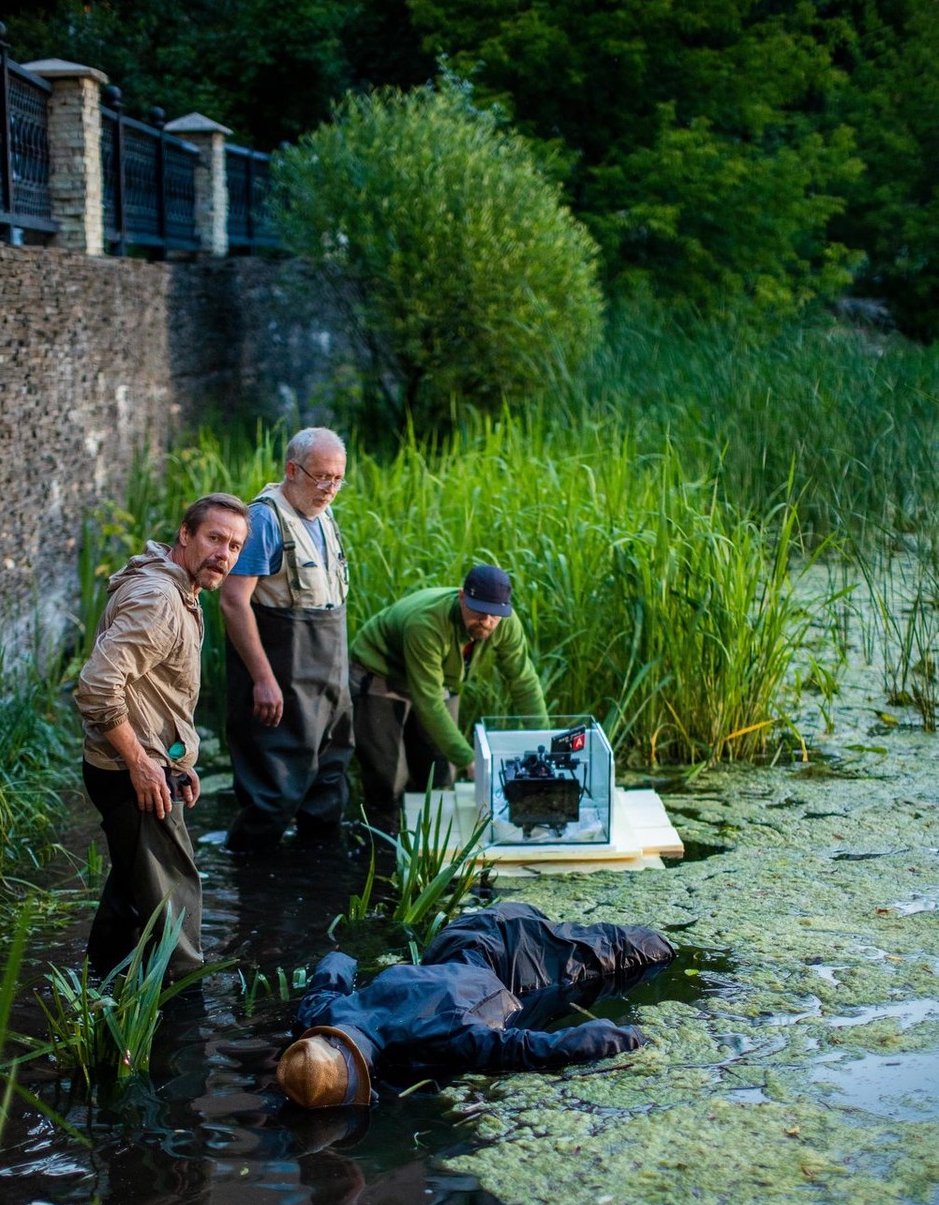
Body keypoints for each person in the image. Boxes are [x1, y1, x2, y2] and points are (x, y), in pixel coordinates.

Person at [75, 493, 250, 981]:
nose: (223, 554)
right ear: (185, 534)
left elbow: (155, 692)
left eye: (234, 546)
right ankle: (184, 1009)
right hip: (130, 773)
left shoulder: (179, 588)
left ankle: (97, 990)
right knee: (175, 906)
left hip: (145, 765)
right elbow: (97, 686)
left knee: (134, 895)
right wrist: (142, 763)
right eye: (214, 538)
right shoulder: (160, 599)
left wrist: (177, 760)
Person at [276, 902, 674, 1107]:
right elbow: (337, 963)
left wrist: (635, 1038)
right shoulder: (321, 1014)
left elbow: (538, 1049)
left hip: (520, 957)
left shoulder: (440, 1040)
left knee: (657, 949)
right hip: (458, 936)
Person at [220, 427, 352, 852]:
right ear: (292, 470)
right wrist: (263, 679)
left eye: (337, 479)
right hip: (282, 673)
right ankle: (247, 877)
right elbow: (233, 601)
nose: (329, 489)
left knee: (327, 783)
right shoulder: (264, 519)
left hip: (329, 677)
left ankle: (315, 877)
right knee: (273, 792)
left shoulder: (323, 513)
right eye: (321, 477)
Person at [349, 564, 549, 831]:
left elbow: (523, 681)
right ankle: (384, 839)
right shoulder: (427, 623)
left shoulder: (505, 623)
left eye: (495, 615)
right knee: (388, 777)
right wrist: (469, 760)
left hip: (438, 675)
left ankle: (428, 840)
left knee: (440, 771)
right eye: (479, 612)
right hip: (381, 673)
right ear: (462, 597)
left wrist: (544, 742)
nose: (487, 621)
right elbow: (429, 702)